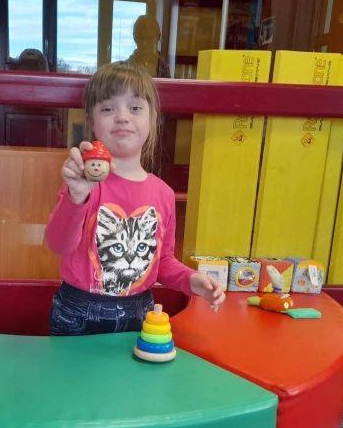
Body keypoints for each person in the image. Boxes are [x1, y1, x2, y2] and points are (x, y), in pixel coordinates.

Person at [45, 61, 224, 336]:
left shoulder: (163, 193)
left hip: (140, 313)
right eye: (108, 108)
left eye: (135, 108)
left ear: (153, 119)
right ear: (91, 120)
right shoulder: (82, 183)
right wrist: (76, 197)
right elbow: (58, 244)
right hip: (77, 313)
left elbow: (162, 261)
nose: (122, 117)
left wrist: (192, 280)